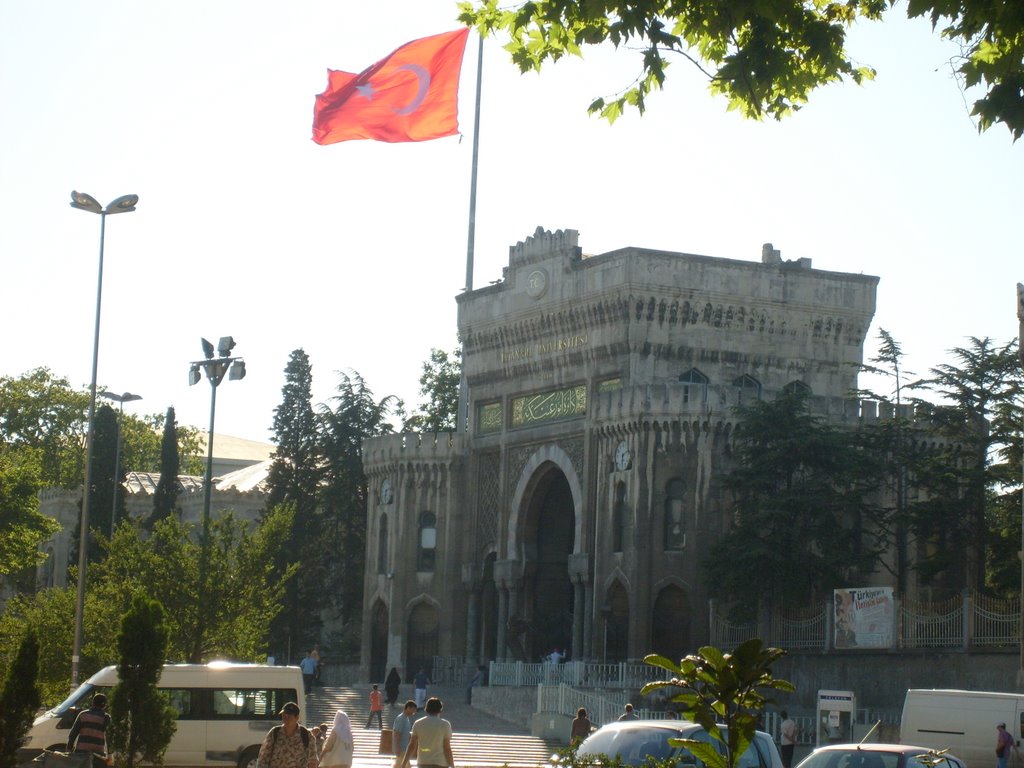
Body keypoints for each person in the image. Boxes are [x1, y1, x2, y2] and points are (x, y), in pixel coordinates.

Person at [256, 702, 317, 768]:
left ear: (297, 718)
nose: (286, 719)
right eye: (284, 716)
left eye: (289, 716)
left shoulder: (306, 735)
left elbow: (312, 761)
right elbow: (263, 758)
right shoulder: (274, 733)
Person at [401, 697, 454, 768]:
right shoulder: (445, 724)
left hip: (423, 762)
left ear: (426, 709)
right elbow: (447, 748)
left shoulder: (418, 723)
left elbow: (412, 745)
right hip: (440, 763)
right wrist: (452, 765)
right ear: (440, 710)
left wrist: (403, 764)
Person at [67, 692, 111, 768]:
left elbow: (73, 734)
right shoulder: (106, 717)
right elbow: (109, 737)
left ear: (92, 703)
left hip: (81, 753)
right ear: (104, 705)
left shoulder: (83, 714)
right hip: (98, 755)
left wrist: (69, 748)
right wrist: (110, 754)